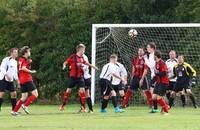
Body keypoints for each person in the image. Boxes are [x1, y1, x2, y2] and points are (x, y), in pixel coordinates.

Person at [59, 44, 97, 112]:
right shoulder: (73, 56)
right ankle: (63, 105)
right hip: (73, 77)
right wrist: (64, 65)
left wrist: (93, 66)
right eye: (83, 50)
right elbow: (66, 62)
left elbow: (86, 63)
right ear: (80, 50)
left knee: (82, 91)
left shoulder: (82, 58)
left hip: (80, 77)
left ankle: (83, 107)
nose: (84, 51)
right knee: (68, 91)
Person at [12, 46, 38, 116]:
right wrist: (31, 71)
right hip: (27, 79)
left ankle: (14, 111)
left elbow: (21, 67)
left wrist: (29, 62)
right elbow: (23, 68)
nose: (30, 52)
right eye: (29, 51)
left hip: (22, 80)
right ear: (26, 53)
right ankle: (25, 106)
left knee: (24, 97)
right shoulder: (25, 60)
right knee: (35, 94)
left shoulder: (21, 59)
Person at [152, 50, 170, 115]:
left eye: (154, 55)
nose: (153, 57)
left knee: (159, 98)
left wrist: (157, 73)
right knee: (154, 97)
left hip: (164, 82)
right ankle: (165, 107)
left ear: (156, 56)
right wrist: (153, 80)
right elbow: (157, 74)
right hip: (158, 82)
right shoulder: (156, 63)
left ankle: (165, 109)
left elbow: (164, 73)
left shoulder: (162, 63)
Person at [144, 42, 158, 113]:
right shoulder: (151, 55)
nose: (147, 48)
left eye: (148, 47)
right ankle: (155, 108)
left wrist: (146, 59)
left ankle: (157, 108)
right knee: (153, 92)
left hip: (156, 76)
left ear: (152, 48)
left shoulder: (153, 55)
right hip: (154, 75)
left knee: (153, 92)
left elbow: (151, 66)